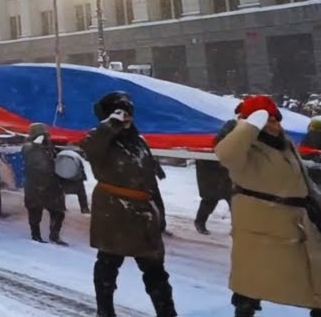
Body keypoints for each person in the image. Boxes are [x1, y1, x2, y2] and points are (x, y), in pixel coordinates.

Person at [215, 95, 321, 317]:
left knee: (312, 283)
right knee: (252, 285)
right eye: (267, 119)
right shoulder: (245, 146)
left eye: (275, 119)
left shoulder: (284, 143)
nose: (273, 124)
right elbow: (226, 154)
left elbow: (301, 178)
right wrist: (249, 125)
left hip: (296, 223)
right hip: (263, 227)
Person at [81, 91, 176, 317]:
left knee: (155, 272)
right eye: (119, 112)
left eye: (128, 112)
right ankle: (105, 312)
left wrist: (159, 213)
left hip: (144, 215)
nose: (126, 117)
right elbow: (89, 147)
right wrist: (110, 124)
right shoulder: (99, 138)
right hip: (114, 212)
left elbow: (149, 181)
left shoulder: (138, 141)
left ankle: (167, 314)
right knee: (107, 265)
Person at [21, 123, 66, 245]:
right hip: (35, 184)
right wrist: (36, 145)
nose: (45, 136)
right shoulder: (28, 146)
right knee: (35, 212)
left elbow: (54, 160)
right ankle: (36, 236)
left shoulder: (49, 146)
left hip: (51, 184)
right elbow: (28, 156)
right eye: (42, 133)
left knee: (58, 212)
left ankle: (54, 235)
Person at [194, 118, 237, 235]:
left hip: (227, 175)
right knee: (209, 200)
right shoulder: (214, 140)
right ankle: (200, 223)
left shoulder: (236, 139)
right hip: (211, 175)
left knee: (235, 202)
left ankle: (238, 229)